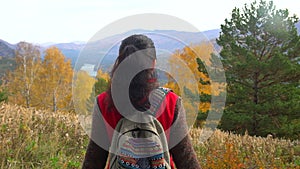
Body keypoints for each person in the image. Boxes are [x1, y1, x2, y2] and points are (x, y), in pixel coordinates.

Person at [82, 34, 201, 169]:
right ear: (153, 63)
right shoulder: (171, 103)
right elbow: (186, 160)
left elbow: (94, 161)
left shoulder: (104, 103)